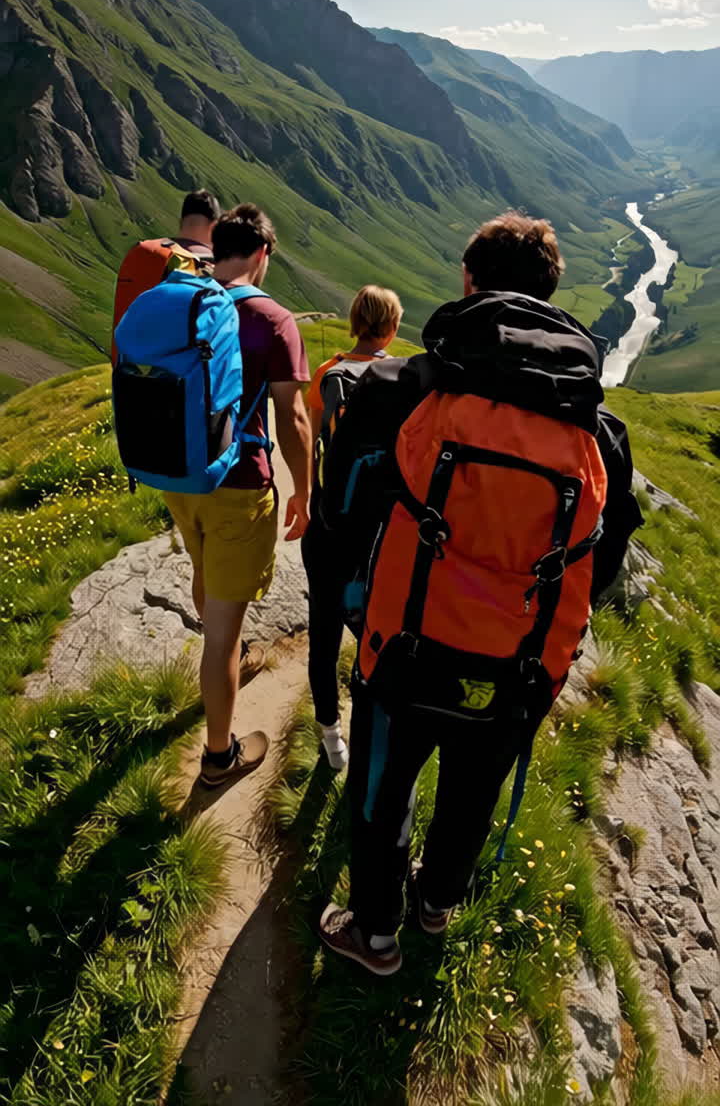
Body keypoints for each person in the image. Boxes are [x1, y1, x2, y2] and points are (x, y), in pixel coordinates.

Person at [317, 211, 642, 975]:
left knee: (383, 786)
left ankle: (374, 932)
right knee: (472, 787)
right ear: (552, 294)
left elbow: (340, 513)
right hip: (522, 664)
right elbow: (608, 556)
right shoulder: (601, 433)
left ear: (470, 284)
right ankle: (437, 902)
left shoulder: (400, 388)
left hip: (403, 643)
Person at [163, 204, 313, 788]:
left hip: (180, 477)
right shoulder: (273, 320)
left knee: (206, 575)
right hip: (239, 483)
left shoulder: (184, 300)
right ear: (262, 254)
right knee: (225, 632)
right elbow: (293, 418)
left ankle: (219, 656)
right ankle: (219, 757)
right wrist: (304, 489)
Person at [302, 286, 403, 770]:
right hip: (383, 533)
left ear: (353, 322)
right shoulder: (403, 380)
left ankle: (330, 735)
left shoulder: (328, 375)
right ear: (393, 327)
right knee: (377, 627)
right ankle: (373, 724)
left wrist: (306, 503)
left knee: (322, 632)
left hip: (329, 528)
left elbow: (313, 446)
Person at [112, 190, 221, 361]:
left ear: (181, 221)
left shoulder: (152, 253)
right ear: (215, 226)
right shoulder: (209, 267)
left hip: (125, 374)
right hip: (176, 381)